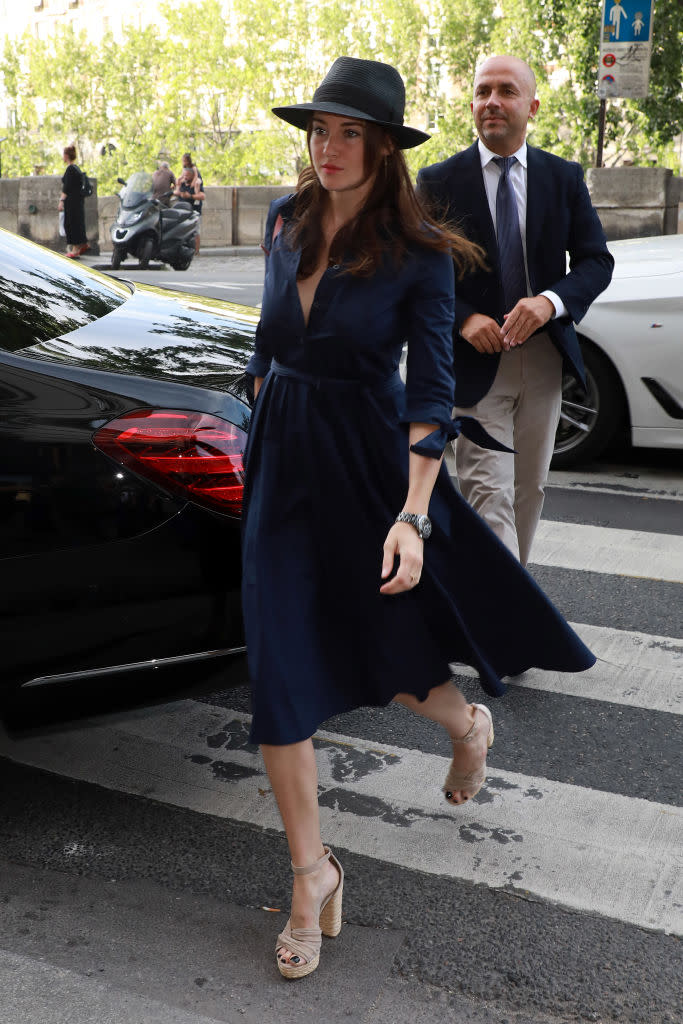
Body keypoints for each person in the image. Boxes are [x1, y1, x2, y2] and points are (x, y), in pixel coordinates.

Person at [243, 56, 595, 981]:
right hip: (281, 461)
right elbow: (265, 343)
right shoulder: (283, 222)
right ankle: (310, 875)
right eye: (319, 129)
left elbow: (432, 397)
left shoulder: (420, 254)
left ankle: (464, 726)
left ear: (385, 148)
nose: (328, 147)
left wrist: (411, 516)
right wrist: (255, 407)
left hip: (365, 466)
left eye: (348, 132)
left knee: (387, 651)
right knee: (279, 672)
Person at [417, 56, 614, 566]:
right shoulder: (439, 181)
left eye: (506, 91)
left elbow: (596, 262)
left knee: (529, 492)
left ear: (532, 105)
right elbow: (419, 271)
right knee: (489, 496)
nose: (492, 102)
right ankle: (506, 625)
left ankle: (513, 602)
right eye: (483, 91)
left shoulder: (562, 178)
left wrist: (550, 303)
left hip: (544, 358)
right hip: (475, 363)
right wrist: (464, 317)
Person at [58, 144, 89, 258]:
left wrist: (61, 201)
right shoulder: (76, 168)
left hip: (72, 201)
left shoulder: (70, 169)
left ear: (66, 156)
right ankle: (81, 244)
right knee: (78, 222)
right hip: (78, 200)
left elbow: (67, 187)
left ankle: (75, 248)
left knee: (72, 223)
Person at [173, 164, 205, 253]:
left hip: (194, 210)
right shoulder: (182, 183)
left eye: (187, 175)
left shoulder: (196, 183)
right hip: (182, 211)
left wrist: (190, 196)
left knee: (195, 231)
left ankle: (196, 251)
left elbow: (202, 196)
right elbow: (176, 192)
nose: (185, 177)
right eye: (184, 175)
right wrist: (178, 185)